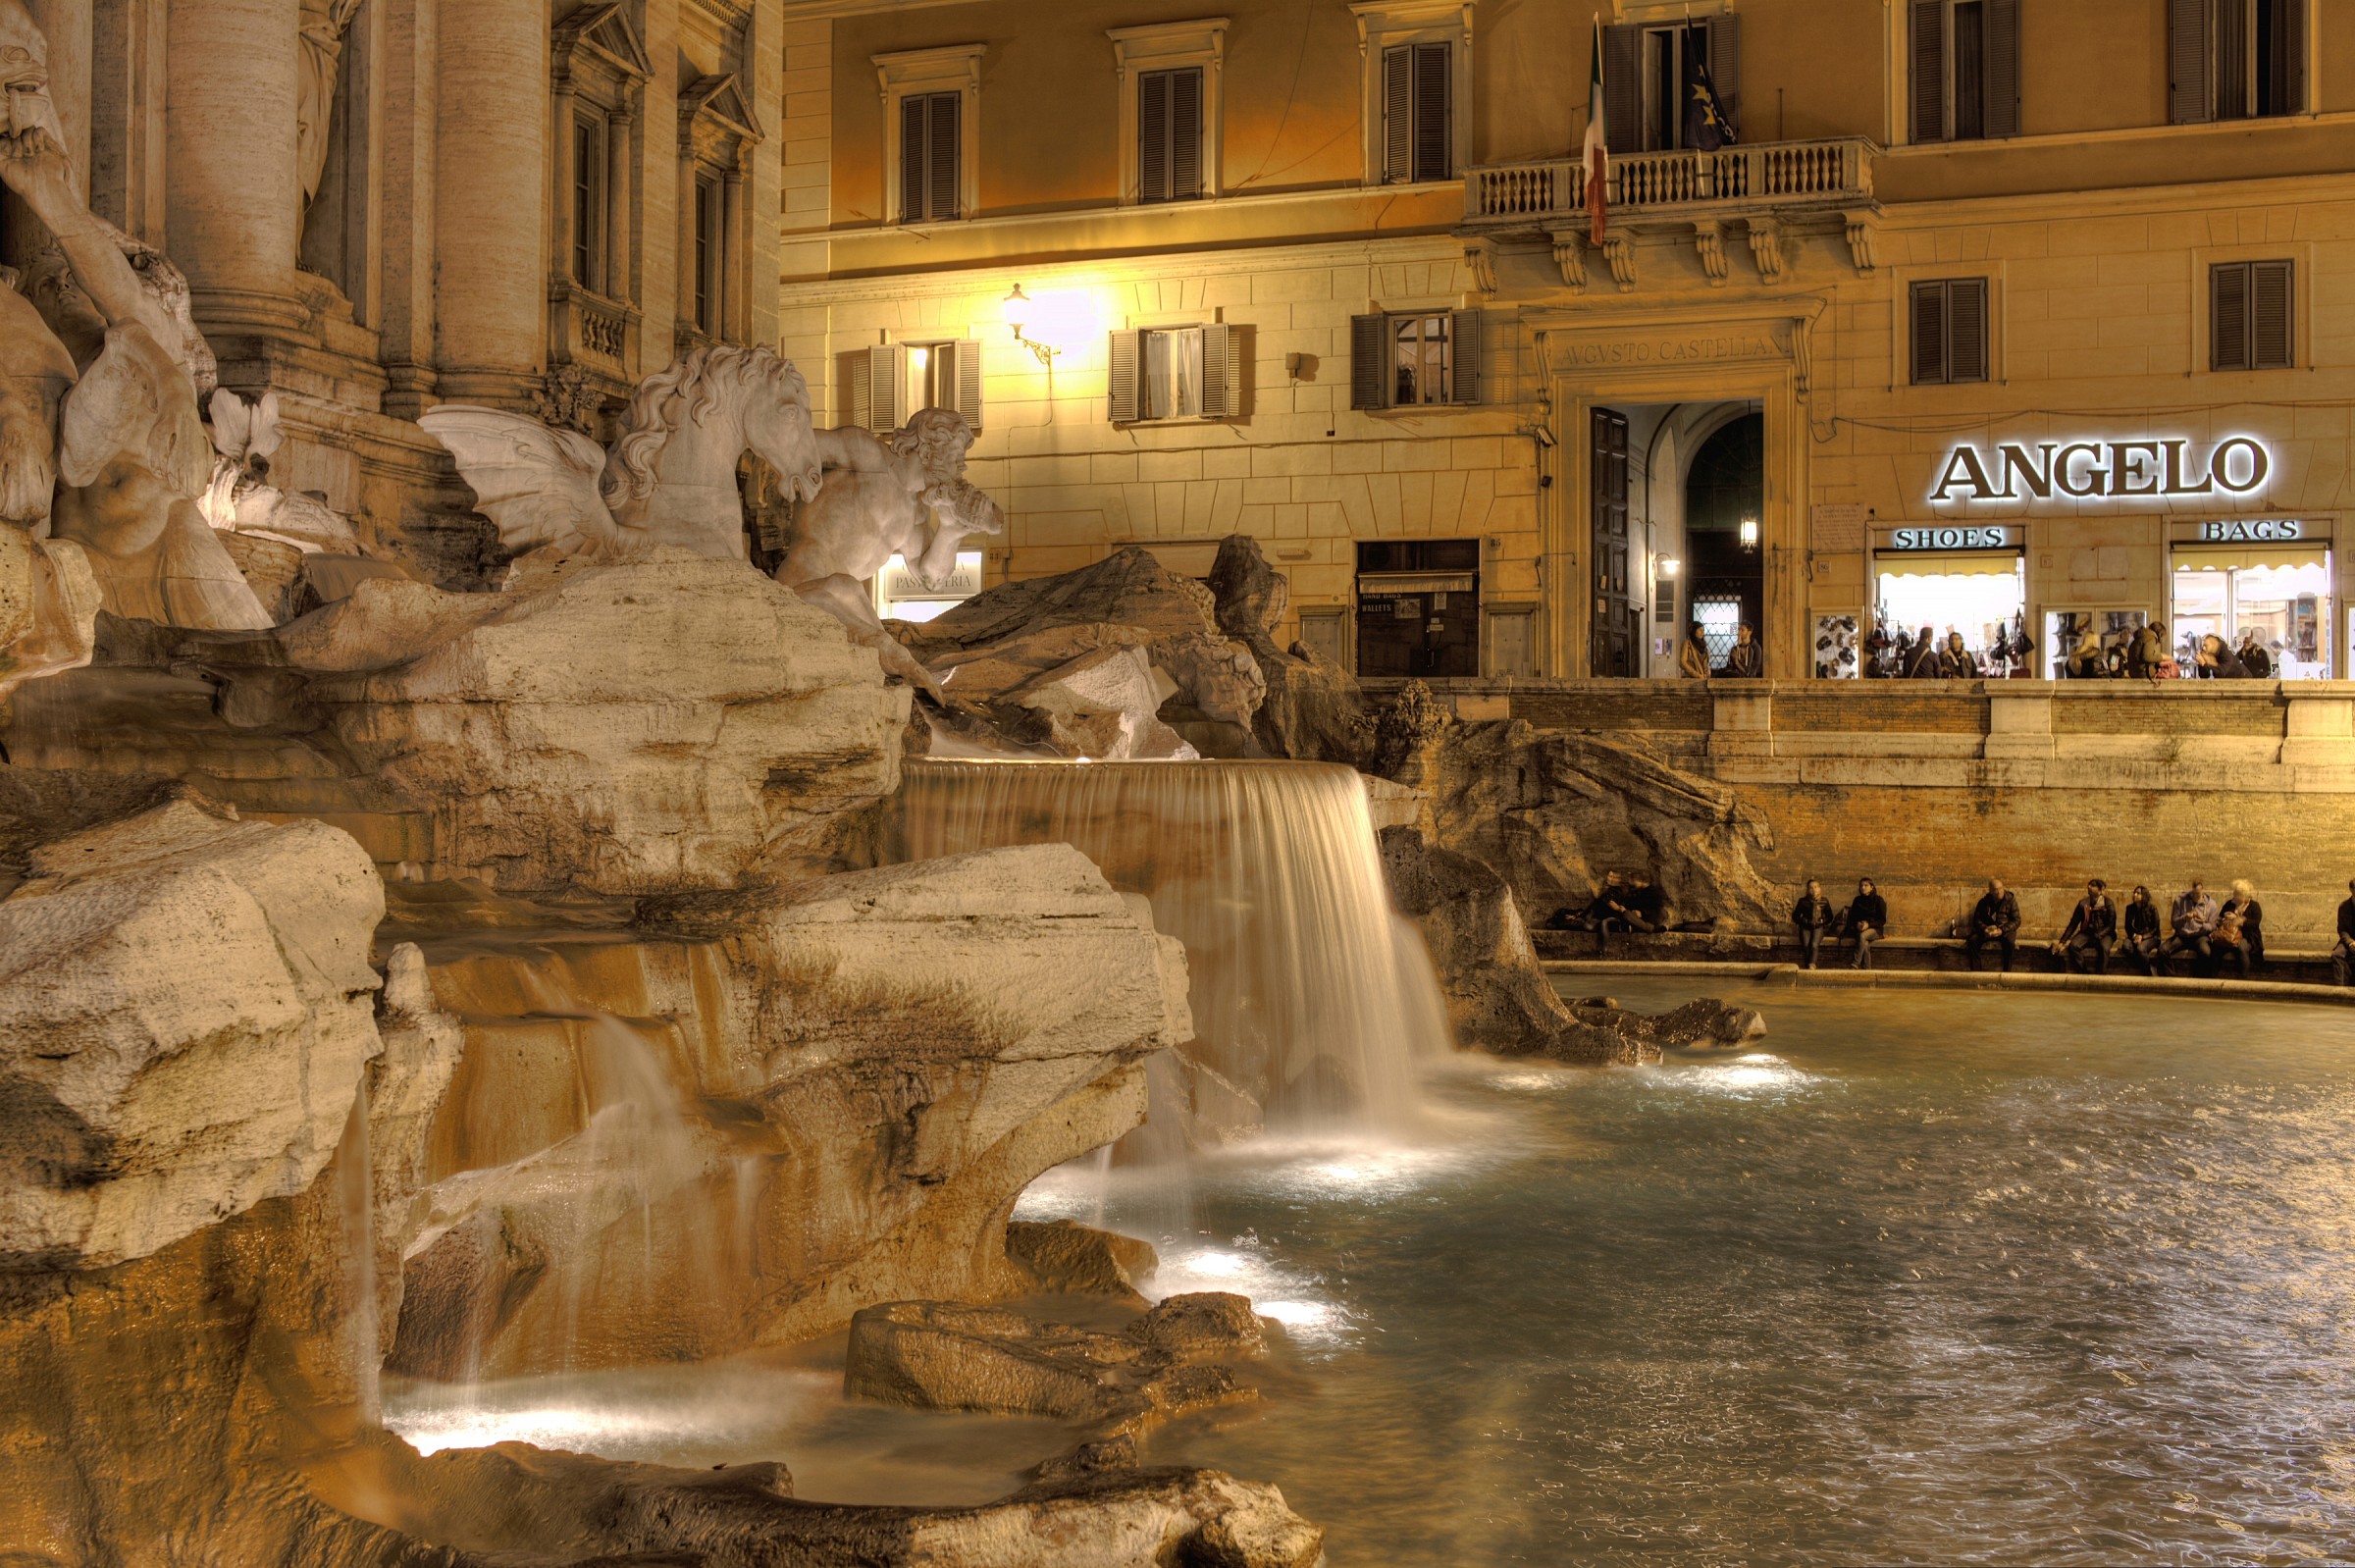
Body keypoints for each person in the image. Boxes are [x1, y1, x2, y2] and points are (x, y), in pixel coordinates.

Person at [2051, 878, 2118, 974]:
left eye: (2093, 885)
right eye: (2089, 885)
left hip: (2106, 934)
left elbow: (2111, 925)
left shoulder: (2108, 903)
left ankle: (2101, 975)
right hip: (2088, 933)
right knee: (2074, 946)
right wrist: (2062, 941)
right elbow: (2073, 924)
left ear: (2100, 891)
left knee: (2104, 948)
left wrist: (2100, 934)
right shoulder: (2083, 904)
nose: (2090, 887)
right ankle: (2083, 972)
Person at [2159, 878, 2218, 974]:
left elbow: (2213, 926)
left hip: (2200, 936)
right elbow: (2174, 923)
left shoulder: (2211, 904)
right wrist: (2184, 918)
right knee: (2162, 950)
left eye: (2197, 894)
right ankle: (2170, 979)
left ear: (2203, 891)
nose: (2194, 897)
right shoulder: (2179, 901)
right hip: (2182, 936)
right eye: (2192, 893)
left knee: (2206, 952)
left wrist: (2202, 923)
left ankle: (2198, 980)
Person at [1963, 877, 2020, 972]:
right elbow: (1977, 920)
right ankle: (1977, 974)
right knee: (1972, 940)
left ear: (2003, 888)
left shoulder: (2011, 901)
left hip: (2004, 930)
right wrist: (1984, 929)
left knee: (2010, 943)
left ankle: (2007, 974)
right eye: (1995, 890)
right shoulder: (1984, 902)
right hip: (1988, 931)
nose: (1998, 892)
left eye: (2000, 888)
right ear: (1990, 891)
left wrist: (2002, 930)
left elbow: (2017, 920)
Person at [2215, 879, 2264, 977]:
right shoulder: (2230, 904)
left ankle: (2243, 977)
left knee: (2242, 947)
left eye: (2236, 893)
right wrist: (2224, 918)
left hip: (2248, 936)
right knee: (2216, 946)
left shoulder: (2254, 906)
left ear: (2243, 895)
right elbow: (2219, 918)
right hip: (2229, 935)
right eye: (2235, 892)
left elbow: (2255, 923)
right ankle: (2214, 975)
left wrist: (2240, 920)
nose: (2234, 894)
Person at [1844, 876, 1886, 970]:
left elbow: (1882, 920)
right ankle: (1867, 969)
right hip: (1860, 929)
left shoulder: (1879, 900)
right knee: (1865, 944)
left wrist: (1869, 925)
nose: (1863, 888)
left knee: (1863, 936)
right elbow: (1853, 918)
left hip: (1875, 929)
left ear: (1872, 887)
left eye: (1866, 885)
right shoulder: (1857, 900)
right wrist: (1857, 924)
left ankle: (1855, 963)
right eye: (1861, 885)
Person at [2120, 885, 2165, 975]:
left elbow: (2155, 928)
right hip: (2135, 936)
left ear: (2144, 895)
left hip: (2152, 937)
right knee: (2126, 946)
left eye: (2138, 893)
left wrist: (2142, 937)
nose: (2135, 895)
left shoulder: (2152, 908)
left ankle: (2148, 973)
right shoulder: (2130, 908)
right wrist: (2134, 936)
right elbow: (2128, 926)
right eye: (2134, 893)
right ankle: (2148, 965)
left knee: (2140, 948)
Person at [1793, 878, 1836, 969]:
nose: (1814, 890)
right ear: (1808, 890)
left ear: (1820, 889)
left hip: (1818, 927)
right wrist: (1804, 920)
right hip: (1805, 927)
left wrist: (1823, 921)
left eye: (1816, 887)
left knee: (1814, 944)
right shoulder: (1803, 901)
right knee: (1806, 944)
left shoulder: (1824, 901)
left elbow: (1830, 916)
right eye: (1811, 888)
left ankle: (1812, 964)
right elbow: (1795, 916)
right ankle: (1807, 964)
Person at [2333, 880, 2355, 988]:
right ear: (2351, 890)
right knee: (2337, 955)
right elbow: (2341, 929)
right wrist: (2350, 942)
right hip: (2347, 940)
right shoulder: (2343, 907)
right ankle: (2339, 990)